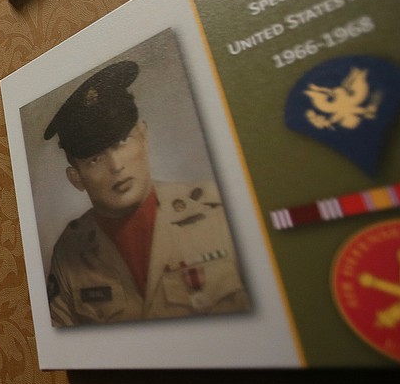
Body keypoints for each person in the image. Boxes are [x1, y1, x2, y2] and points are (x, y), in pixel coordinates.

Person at [43, 61, 251, 326]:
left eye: (122, 142)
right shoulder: (69, 251)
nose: (117, 166)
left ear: (144, 135)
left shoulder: (218, 209)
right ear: (76, 178)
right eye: (95, 159)